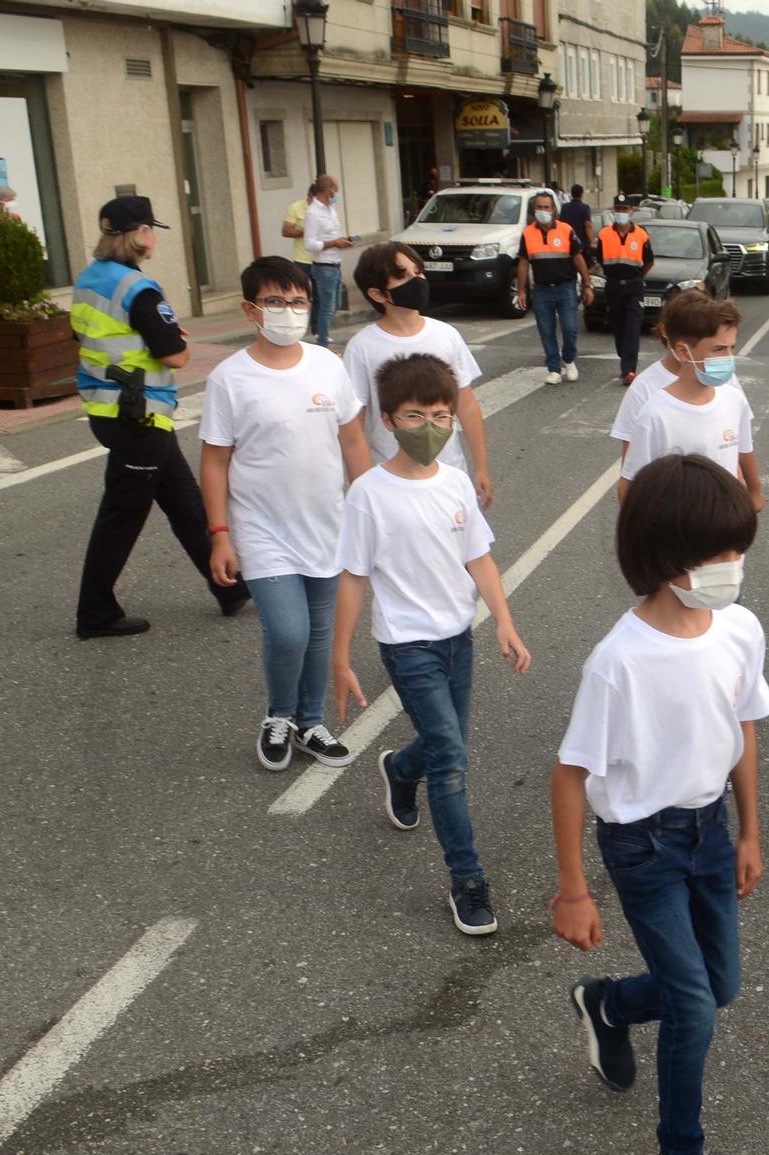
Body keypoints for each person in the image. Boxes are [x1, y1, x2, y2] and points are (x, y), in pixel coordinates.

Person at [551, 453, 769, 1155]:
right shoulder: (619, 661)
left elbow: (742, 726)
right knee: (692, 1006)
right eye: (714, 554)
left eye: (737, 548)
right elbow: (571, 773)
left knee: (721, 986)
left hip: (710, 828)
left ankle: (606, 1002)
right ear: (659, 554)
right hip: (641, 845)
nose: (731, 567)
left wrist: (748, 829)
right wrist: (573, 887)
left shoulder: (739, 628)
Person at [332, 353, 530, 936]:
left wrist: (503, 620)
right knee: (451, 758)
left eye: (442, 416)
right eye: (415, 417)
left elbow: (479, 556)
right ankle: (466, 880)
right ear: (388, 421)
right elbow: (353, 576)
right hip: (406, 645)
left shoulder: (456, 483)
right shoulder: (369, 493)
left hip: (456, 639)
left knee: (447, 744)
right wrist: (341, 657)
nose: (431, 429)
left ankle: (398, 767)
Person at [199, 257, 374, 772]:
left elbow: (352, 439)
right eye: (275, 301)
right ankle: (279, 715)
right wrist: (220, 535)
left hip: (325, 521)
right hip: (260, 528)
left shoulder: (327, 365)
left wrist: (370, 509)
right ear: (250, 309)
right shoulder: (230, 378)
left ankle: (310, 721)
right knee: (290, 631)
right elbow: (214, 461)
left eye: (298, 301)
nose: (288, 311)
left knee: (321, 632)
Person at [72, 194, 246, 639]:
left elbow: (99, 332)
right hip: (138, 415)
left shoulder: (91, 278)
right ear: (141, 234)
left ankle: (229, 588)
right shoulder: (138, 288)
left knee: (185, 501)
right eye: (151, 230)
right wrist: (171, 338)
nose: (153, 238)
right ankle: (95, 612)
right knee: (122, 513)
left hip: (112, 410)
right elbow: (176, 356)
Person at [343, 241, 494, 507]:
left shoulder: (446, 335)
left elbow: (467, 405)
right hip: (390, 483)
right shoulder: (362, 347)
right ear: (378, 294)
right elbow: (353, 427)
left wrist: (481, 466)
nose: (417, 280)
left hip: (449, 474)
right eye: (402, 275)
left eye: (419, 271)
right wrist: (363, 486)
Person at [619, 295, 762, 506]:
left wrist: (751, 493)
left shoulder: (734, 400)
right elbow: (629, 486)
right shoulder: (655, 414)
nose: (729, 358)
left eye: (732, 348)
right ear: (683, 352)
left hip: (726, 526)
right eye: (719, 349)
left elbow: (740, 454)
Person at [609, 290, 717, 461]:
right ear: (665, 331)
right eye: (687, 334)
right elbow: (631, 463)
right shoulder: (643, 388)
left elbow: (740, 450)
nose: (692, 343)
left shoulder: (722, 381)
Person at [517, 188, 592, 386]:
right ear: (535, 210)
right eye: (539, 207)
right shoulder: (527, 234)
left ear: (553, 210)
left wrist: (587, 284)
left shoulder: (566, 230)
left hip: (565, 287)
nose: (543, 210)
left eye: (547, 207)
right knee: (546, 331)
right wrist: (521, 291)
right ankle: (553, 368)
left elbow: (578, 257)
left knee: (570, 328)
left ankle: (568, 358)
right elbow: (523, 262)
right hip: (541, 290)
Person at [595, 199, 654, 383]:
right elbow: (600, 260)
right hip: (613, 286)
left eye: (625, 209)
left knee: (633, 328)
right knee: (619, 326)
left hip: (634, 287)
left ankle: (629, 370)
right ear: (614, 210)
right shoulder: (604, 234)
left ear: (631, 211)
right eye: (618, 209)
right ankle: (624, 359)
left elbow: (649, 261)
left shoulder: (641, 235)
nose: (621, 212)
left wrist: (637, 277)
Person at [302, 175, 356, 348]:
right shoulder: (313, 213)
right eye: (335, 190)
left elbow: (330, 235)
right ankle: (323, 342)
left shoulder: (330, 208)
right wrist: (333, 243)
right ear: (328, 190)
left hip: (335, 262)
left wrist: (342, 241)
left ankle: (322, 337)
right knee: (327, 307)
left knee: (336, 304)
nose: (337, 193)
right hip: (323, 266)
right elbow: (309, 244)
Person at [282, 184, 316, 320]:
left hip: (321, 258)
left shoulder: (326, 208)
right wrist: (307, 231)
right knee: (300, 293)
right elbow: (286, 231)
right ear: (310, 196)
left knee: (320, 296)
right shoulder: (296, 207)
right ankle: (299, 319)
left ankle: (317, 329)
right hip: (302, 259)